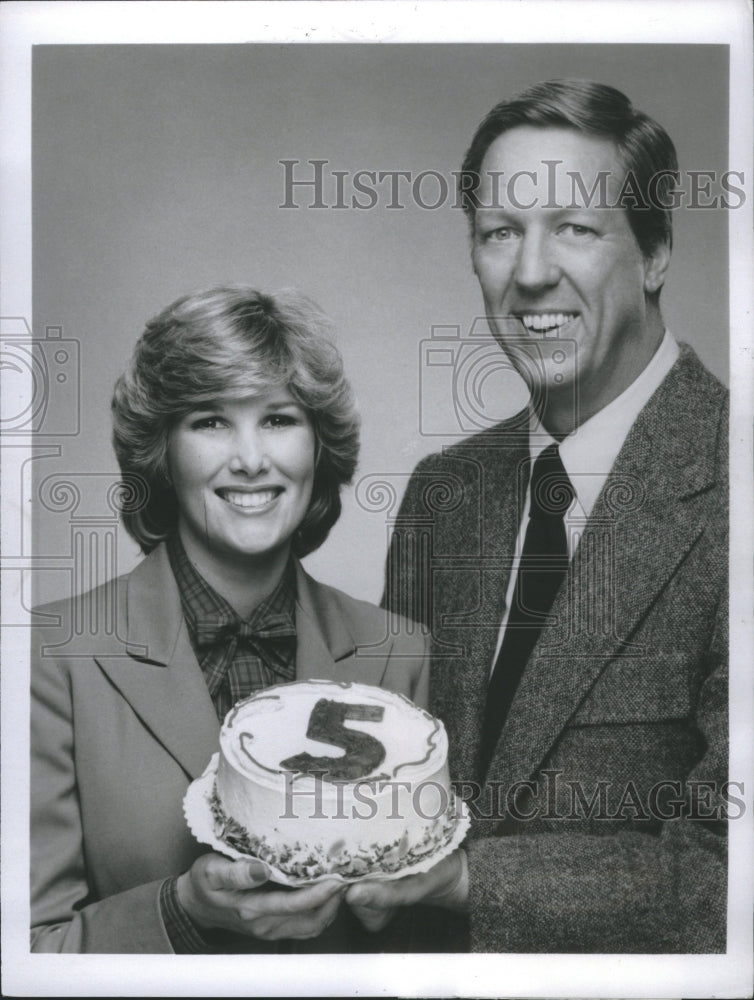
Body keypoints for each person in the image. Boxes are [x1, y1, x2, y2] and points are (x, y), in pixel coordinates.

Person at [345, 79, 729, 952]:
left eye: (575, 227)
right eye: (500, 233)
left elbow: (730, 872)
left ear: (658, 249)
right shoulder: (443, 494)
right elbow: (391, 780)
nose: (528, 273)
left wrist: (468, 881)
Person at [30, 284, 429, 953]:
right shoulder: (51, 657)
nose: (250, 458)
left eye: (278, 419)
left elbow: (428, 946)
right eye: (210, 421)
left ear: (318, 445)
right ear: (161, 450)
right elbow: (26, 953)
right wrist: (182, 911)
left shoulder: (399, 653)